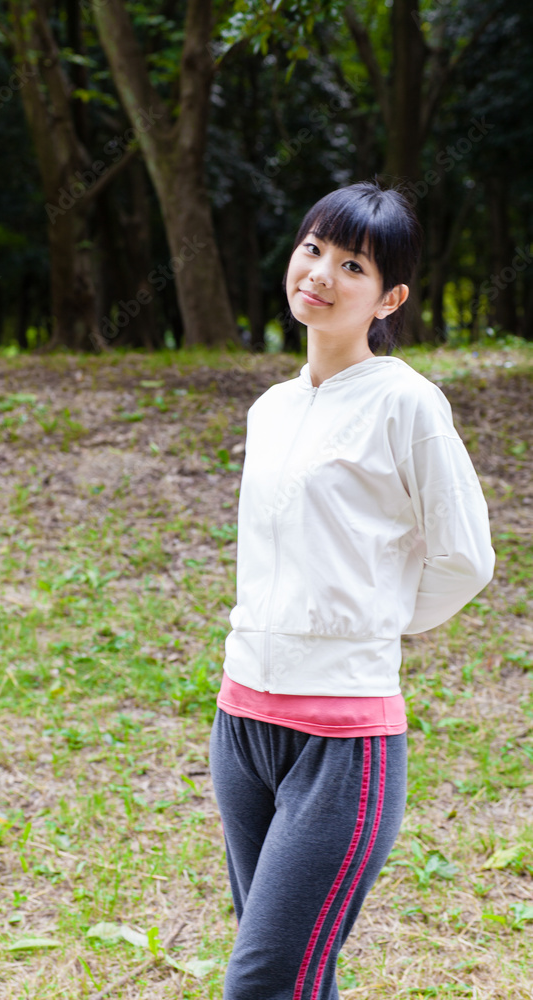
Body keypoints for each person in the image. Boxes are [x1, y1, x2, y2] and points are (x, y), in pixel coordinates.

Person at [209, 181, 495, 1000]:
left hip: (342, 743)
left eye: (352, 264)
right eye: (312, 250)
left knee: (262, 982)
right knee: (300, 974)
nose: (321, 274)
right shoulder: (270, 407)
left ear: (388, 297)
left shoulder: (407, 403)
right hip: (241, 725)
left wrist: (372, 625)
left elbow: (464, 556)